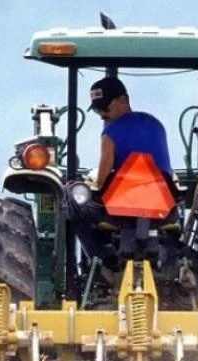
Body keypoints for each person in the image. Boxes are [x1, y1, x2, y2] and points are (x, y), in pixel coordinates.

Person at [66, 77, 173, 274]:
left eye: (104, 109)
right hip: (162, 207)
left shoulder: (110, 133)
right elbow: (165, 168)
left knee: (72, 197)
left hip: (121, 211)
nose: (102, 116)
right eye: (97, 110)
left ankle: (101, 261)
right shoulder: (156, 125)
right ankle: (172, 260)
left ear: (123, 100)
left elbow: (101, 180)